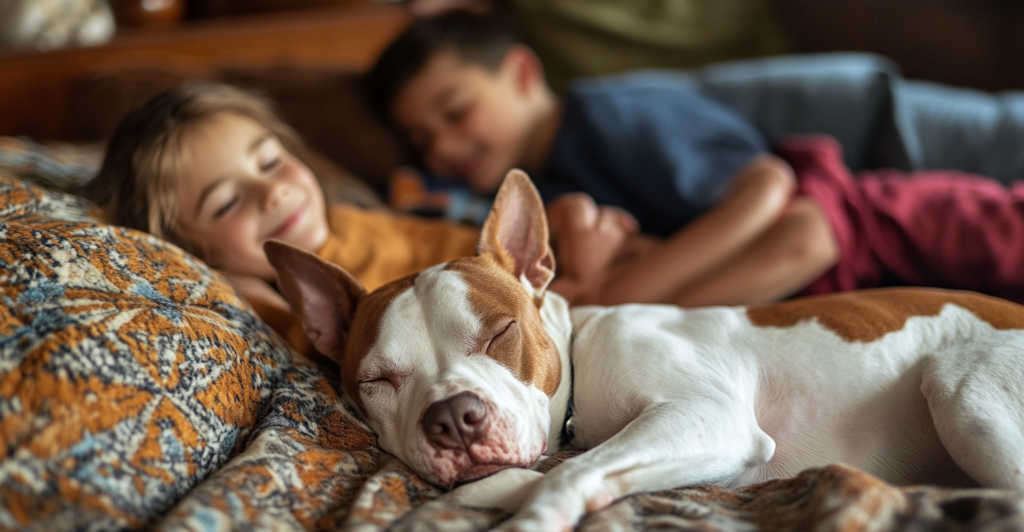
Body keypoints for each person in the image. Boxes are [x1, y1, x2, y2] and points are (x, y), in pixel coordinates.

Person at [365, 10, 1024, 307]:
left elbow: (769, 188)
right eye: (423, 140)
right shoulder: (538, 189)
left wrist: (626, 295)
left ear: (522, 73)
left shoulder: (603, 114)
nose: (445, 149)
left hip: (876, 206)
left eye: (455, 112)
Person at [83, 82, 637, 356]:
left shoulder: (353, 217)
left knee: (588, 217)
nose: (273, 191)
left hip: (534, 273)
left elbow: (478, 247)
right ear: (190, 248)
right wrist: (242, 284)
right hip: (547, 317)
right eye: (226, 203)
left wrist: (562, 231)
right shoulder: (313, 301)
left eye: (271, 161)